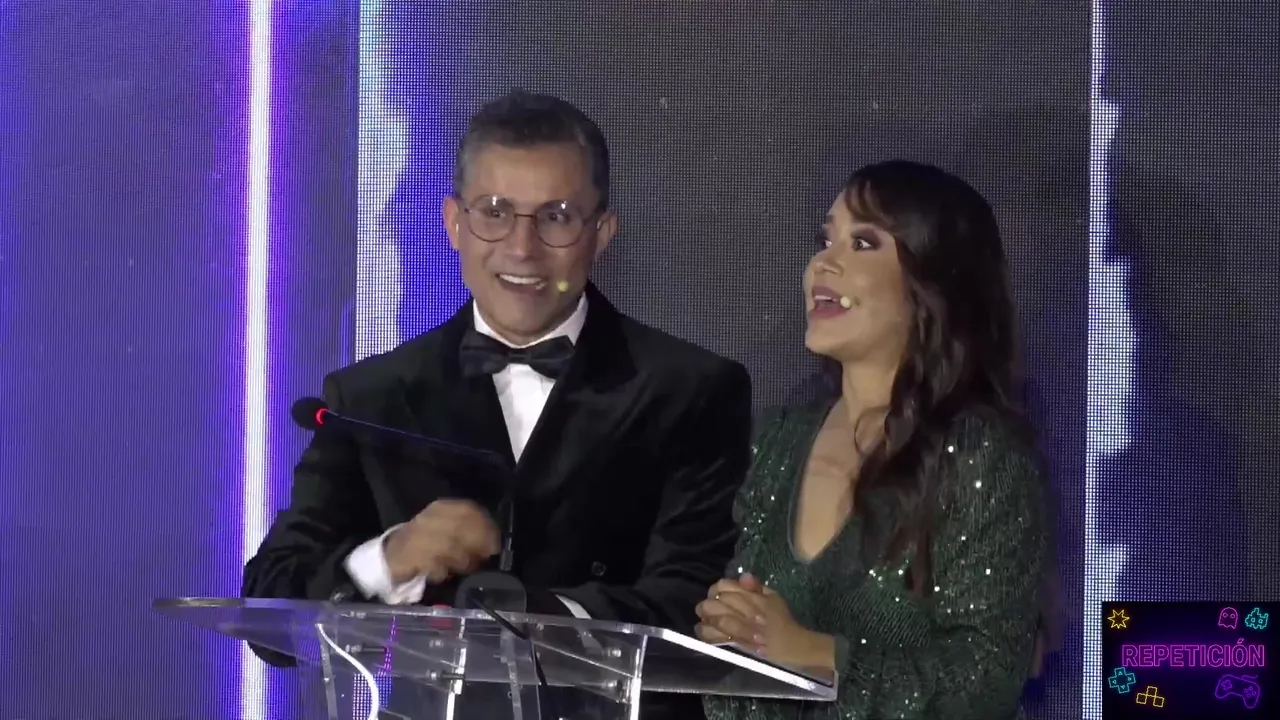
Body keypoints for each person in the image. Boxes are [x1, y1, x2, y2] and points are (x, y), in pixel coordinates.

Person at [243, 91, 752, 718]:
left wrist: (534, 617)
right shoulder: (370, 397)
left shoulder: (693, 389)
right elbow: (270, 604)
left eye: (556, 217)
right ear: (454, 223)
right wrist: (390, 560)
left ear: (601, 233)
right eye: (495, 212)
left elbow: (695, 603)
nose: (521, 249)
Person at [697, 160, 1051, 720]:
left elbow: (986, 680)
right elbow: (748, 656)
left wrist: (817, 655)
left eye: (862, 243)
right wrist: (731, 635)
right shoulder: (782, 438)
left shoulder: (980, 457)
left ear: (930, 282)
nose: (823, 263)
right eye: (824, 240)